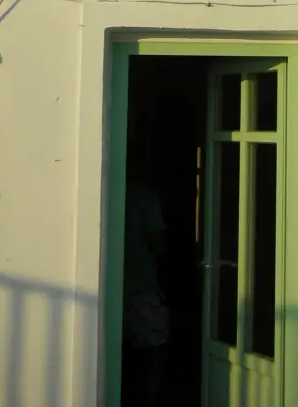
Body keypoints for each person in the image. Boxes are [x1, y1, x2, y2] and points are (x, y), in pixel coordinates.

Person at [123, 141, 168, 406]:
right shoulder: (145, 198)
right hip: (142, 286)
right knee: (154, 352)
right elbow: (159, 244)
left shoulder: (116, 192)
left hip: (114, 288)